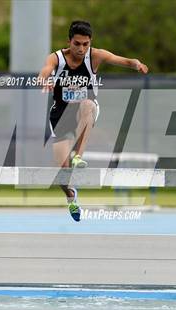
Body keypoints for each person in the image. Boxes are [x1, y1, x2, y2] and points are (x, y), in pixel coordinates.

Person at [38, 20, 148, 222]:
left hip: (85, 111)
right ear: (69, 41)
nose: (81, 49)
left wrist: (135, 63)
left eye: (85, 44)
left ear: (90, 42)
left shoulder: (94, 56)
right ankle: (71, 197)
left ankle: (78, 156)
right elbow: (45, 69)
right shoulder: (57, 58)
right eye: (77, 44)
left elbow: (120, 60)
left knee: (87, 104)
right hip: (61, 117)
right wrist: (44, 79)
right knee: (62, 174)